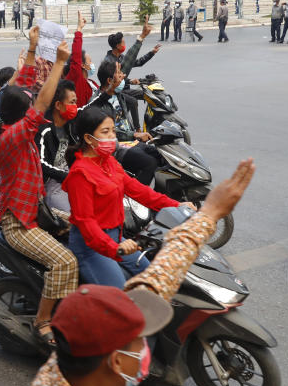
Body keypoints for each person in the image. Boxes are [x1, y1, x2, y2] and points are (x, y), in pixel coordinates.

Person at [5, 159, 255, 386]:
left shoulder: (94, 378)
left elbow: (156, 282)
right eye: (138, 340)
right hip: (94, 250)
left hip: (119, 242)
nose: (143, 345)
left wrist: (209, 214)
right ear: (117, 361)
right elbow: (84, 223)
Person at [0, 27, 75, 346]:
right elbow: (41, 100)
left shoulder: (6, 121)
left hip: (37, 211)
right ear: (21, 113)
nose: (32, 101)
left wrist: (34, 47)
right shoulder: (14, 136)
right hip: (20, 223)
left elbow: (23, 84)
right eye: (28, 105)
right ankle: (43, 320)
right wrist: (61, 64)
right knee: (65, 261)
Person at [63, 107, 182, 287]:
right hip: (93, 248)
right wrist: (114, 248)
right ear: (88, 138)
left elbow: (139, 191)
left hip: (116, 238)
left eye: (112, 130)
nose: (112, 136)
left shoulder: (109, 162)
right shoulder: (80, 174)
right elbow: (86, 223)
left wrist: (178, 206)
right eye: (105, 132)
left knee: (150, 277)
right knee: (120, 298)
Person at [86, 59, 160, 187]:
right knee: (150, 163)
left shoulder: (118, 95)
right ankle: (136, 200)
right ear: (110, 81)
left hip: (131, 141)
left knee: (161, 155)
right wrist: (134, 135)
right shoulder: (97, 102)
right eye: (119, 75)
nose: (123, 77)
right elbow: (107, 132)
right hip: (118, 146)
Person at [35, 80, 79, 213]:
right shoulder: (44, 130)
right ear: (59, 105)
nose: (75, 106)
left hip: (71, 179)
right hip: (51, 185)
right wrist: (66, 176)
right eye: (72, 102)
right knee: (75, 218)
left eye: (75, 102)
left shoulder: (70, 125)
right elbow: (40, 163)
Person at [63, 12, 96, 107]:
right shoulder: (75, 78)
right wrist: (79, 29)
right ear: (82, 65)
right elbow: (76, 56)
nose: (92, 64)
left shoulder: (91, 83)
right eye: (90, 61)